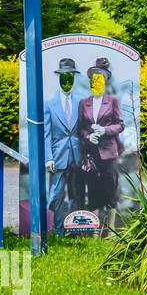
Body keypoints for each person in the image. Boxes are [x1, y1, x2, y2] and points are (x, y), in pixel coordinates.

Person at [77, 57, 124, 219]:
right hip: (91, 155)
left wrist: (104, 130)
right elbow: (81, 128)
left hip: (109, 154)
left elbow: (120, 125)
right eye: (94, 81)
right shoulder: (84, 103)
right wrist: (89, 136)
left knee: (110, 192)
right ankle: (95, 232)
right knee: (93, 192)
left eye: (100, 81)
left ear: (105, 83)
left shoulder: (113, 101)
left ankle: (111, 232)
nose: (97, 84)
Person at [43, 57, 83, 228]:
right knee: (56, 195)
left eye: (70, 77)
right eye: (64, 77)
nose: (67, 81)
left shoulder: (81, 103)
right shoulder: (49, 105)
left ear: (74, 79)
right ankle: (57, 230)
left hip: (77, 157)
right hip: (58, 157)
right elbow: (46, 134)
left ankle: (74, 229)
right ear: (59, 78)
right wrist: (48, 157)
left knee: (76, 195)